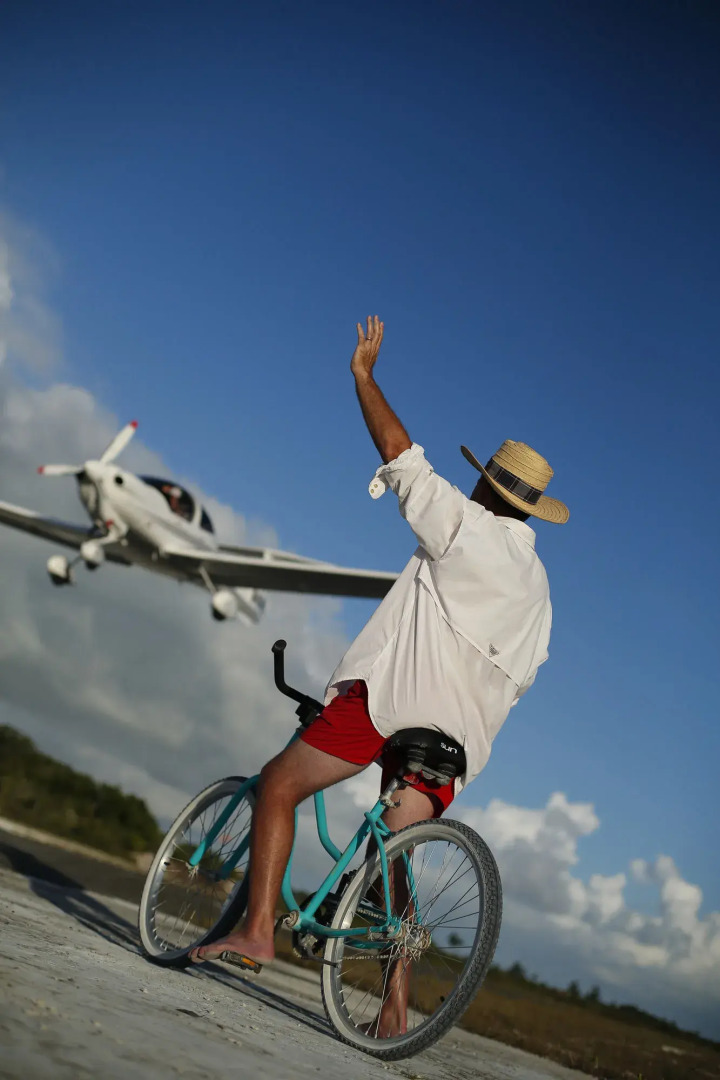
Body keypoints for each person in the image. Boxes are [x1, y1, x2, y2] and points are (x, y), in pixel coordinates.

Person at [191, 316, 568, 1035]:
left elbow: (401, 457)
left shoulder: (465, 525)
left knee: (277, 786)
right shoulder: (541, 592)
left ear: (488, 488)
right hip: (458, 742)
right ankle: (396, 1007)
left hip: (389, 704)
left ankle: (257, 930)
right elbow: (525, 678)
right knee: (392, 856)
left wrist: (365, 377)